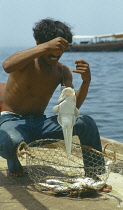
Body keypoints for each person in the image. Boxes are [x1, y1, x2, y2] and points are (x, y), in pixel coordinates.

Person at [0, 18, 111, 192]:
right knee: (12, 141)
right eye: (53, 47)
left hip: (40, 124)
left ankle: (94, 176)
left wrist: (87, 82)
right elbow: (7, 65)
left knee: (86, 122)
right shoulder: (26, 62)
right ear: (39, 44)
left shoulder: (62, 71)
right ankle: (12, 160)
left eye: (62, 48)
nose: (57, 52)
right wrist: (45, 46)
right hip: (12, 122)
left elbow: (72, 109)